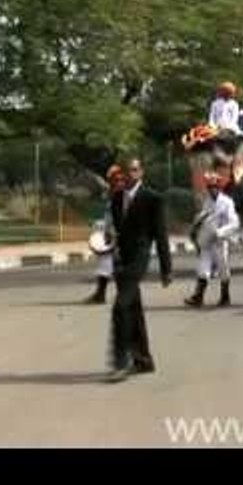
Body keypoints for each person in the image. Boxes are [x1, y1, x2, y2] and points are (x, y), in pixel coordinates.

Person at [106, 159, 172, 383]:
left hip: (139, 258)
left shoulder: (152, 198)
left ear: (141, 172)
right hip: (122, 261)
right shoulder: (116, 198)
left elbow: (161, 235)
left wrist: (166, 269)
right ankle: (144, 360)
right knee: (133, 309)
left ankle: (120, 361)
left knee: (119, 307)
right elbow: (117, 232)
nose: (130, 174)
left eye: (135, 169)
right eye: (127, 170)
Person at [185, 169, 240, 308]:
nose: (212, 190)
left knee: (223, 269)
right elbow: (204, 218)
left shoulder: (227, 202)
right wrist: (196, 227)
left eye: (214, 187)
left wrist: (221, 232)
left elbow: (234, 222)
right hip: (207, 240)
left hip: (220, 240)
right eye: (210, 187)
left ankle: (225, 296)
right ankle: (198, 297)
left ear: (219, 187)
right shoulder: (207, 201)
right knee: (203, 268)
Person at [84, 164, 126, 305]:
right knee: (107, 263)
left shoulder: (120, 194)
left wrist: (115, 233)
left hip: (117, 234)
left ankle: (102, 295)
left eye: (116, 178)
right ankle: (101, 294)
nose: (116, 181)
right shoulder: (112, 193)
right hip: (110, 232)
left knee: (110, 264)